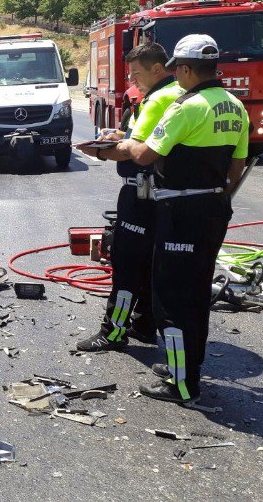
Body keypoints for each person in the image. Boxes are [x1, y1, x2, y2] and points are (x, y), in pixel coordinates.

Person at [113, 34, 248, 404]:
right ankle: (188, 366)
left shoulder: (187, 107)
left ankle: (180, 383)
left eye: (178, 70)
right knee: (196, 293)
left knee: (170, 298)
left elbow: (144, 154)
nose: (177, 77)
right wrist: (216, 194)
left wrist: (119, 146)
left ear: (186, 69)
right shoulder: (235, 106)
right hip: (215, 208)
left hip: (181, 212)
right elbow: (238, 164)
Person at [75, 43, 184, 352]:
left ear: (158, 69)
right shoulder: (178, 94)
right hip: (164, 198)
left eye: (137, 74)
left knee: (126, 267)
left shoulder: (160, 98)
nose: (133, 81)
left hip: (141, 195)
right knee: (151, 265)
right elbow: (148, 137)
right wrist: (119, 136)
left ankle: (113, 331)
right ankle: (146, 323)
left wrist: (101, 149)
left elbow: (139, 151)